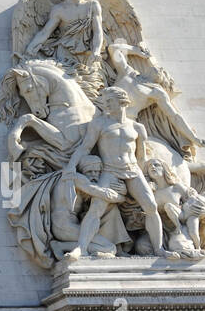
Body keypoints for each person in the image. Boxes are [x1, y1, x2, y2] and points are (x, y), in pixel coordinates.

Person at [63, 87, 173, 261]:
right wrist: (71, 166)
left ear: (122, 101)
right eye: (105, 102)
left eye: (109, 101)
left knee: (151, 206)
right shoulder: (99, 124)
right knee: (96, 209)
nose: (106, 105)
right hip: (110, 170)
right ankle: (81, 248)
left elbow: (141, 157)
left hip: (133, 170)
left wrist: (147, 179)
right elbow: (85, 147)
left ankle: (159, 248)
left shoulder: (137, 127)